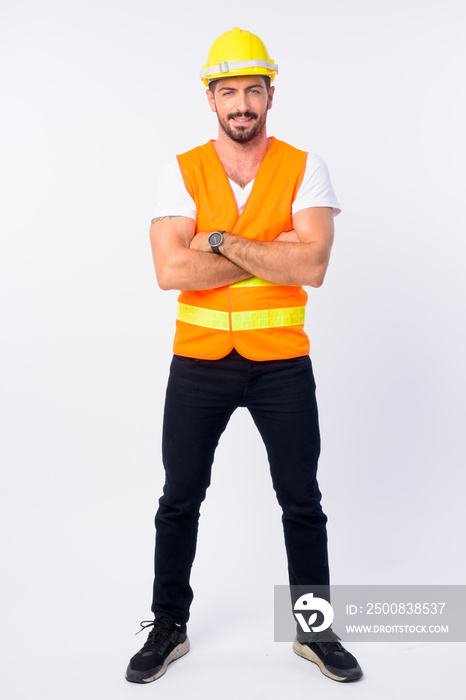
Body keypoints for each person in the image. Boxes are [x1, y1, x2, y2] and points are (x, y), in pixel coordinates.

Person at [125, 27, 362, 684]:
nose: (241, 103)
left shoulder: (302, 165)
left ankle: (313, 632)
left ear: (269, 94)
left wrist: (220, 240)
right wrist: (266, 249)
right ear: (210, 98)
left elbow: (311, 263)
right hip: (199, 361)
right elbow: (170, 271)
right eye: (228, 91)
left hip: (282, 363)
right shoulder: (182, 169)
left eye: (252, 90)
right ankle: (168, 623)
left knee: (301, 500)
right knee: (179, 497)